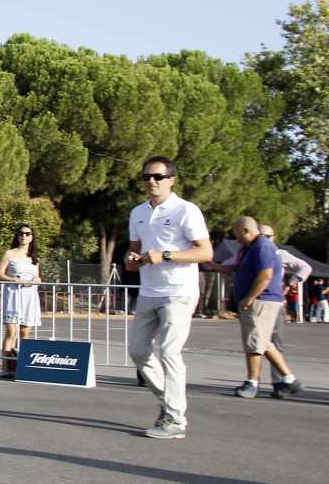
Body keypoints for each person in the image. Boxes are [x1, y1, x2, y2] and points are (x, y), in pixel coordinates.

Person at [125, 156, 213, 441]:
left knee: (169, 351)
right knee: (138, 351)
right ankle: (169, 403)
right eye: (147, 177)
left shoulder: (186, 211)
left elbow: (205, 253)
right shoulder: (137, 212)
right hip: (149, 291)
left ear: (171, 180)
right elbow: (132, 255)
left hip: (179, 291)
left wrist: (164, 255)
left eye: (158, 177)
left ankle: (174, 419)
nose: (151, 182)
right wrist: (132, 258)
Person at [226, 218, 302, 399]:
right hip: (261, 300)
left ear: (245, 230)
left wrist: (249, 298)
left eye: (236, 233)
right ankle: (289, 379)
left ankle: (252, 383)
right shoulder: (251, 248)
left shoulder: (262, 247)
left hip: (261, 300)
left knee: (253, 342)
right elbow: (241, 269)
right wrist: (217, 267)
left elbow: (265, 275)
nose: (235, 238)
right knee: (263, 342)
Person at [0, 224, 42, 378]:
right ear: (17, 236)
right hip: (13, 296)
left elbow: (38, 277)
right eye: (21, 233)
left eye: (28, 233)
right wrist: (13, 280)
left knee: (24, 333)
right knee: (11, 332)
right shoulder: (9, 253)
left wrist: (36, 281)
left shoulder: (34, 257)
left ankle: (23, 367)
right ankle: (5, 367)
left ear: (31, 237)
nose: (24, 236)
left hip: (29, 297)